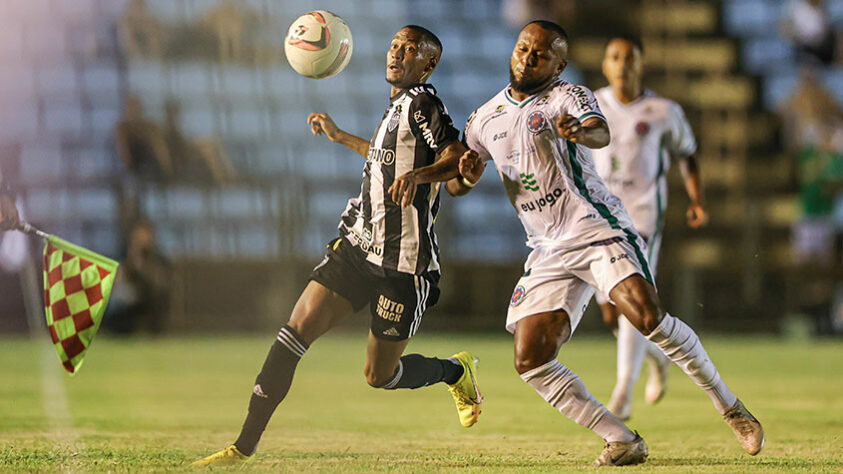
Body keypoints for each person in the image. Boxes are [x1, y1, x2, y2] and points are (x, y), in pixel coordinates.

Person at [392, 21, 764, 466]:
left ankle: (732, 408)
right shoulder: (485, 117)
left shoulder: (569, 96)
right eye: (523, 49)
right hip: (547, 249)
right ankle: (621, 438)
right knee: (530, 359)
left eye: (540, 54)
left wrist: (579, 132)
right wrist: (467, 178)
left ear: (559, 64)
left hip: (596, 228)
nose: (527, 58)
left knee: (647, 316)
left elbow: (599, 130)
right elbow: (457, 181)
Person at [192, 25, 484, 466]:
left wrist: (418, 178)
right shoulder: (395, 107)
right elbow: (386, 159)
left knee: (379, 376)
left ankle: (455, 371)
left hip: (403, 264)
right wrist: (341, 136)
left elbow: (454, 153)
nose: (398, 54)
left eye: (410, 50)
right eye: (394, 46)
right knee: (293, 332)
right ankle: (242, 447)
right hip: (358, 245)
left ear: (429, 64)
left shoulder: (423, 101)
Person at [590, 36, 707, 421]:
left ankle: (622, 393)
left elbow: (687, 154)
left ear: (641, 64)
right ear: (606, 65)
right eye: (615, 57)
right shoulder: (591, 104)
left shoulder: (663, 111)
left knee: (632, 304)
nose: (622, 64)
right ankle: (659, 358)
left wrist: (696, 199)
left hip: (641, 219)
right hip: (598, 219)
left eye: (629, 58)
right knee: (612, 311)